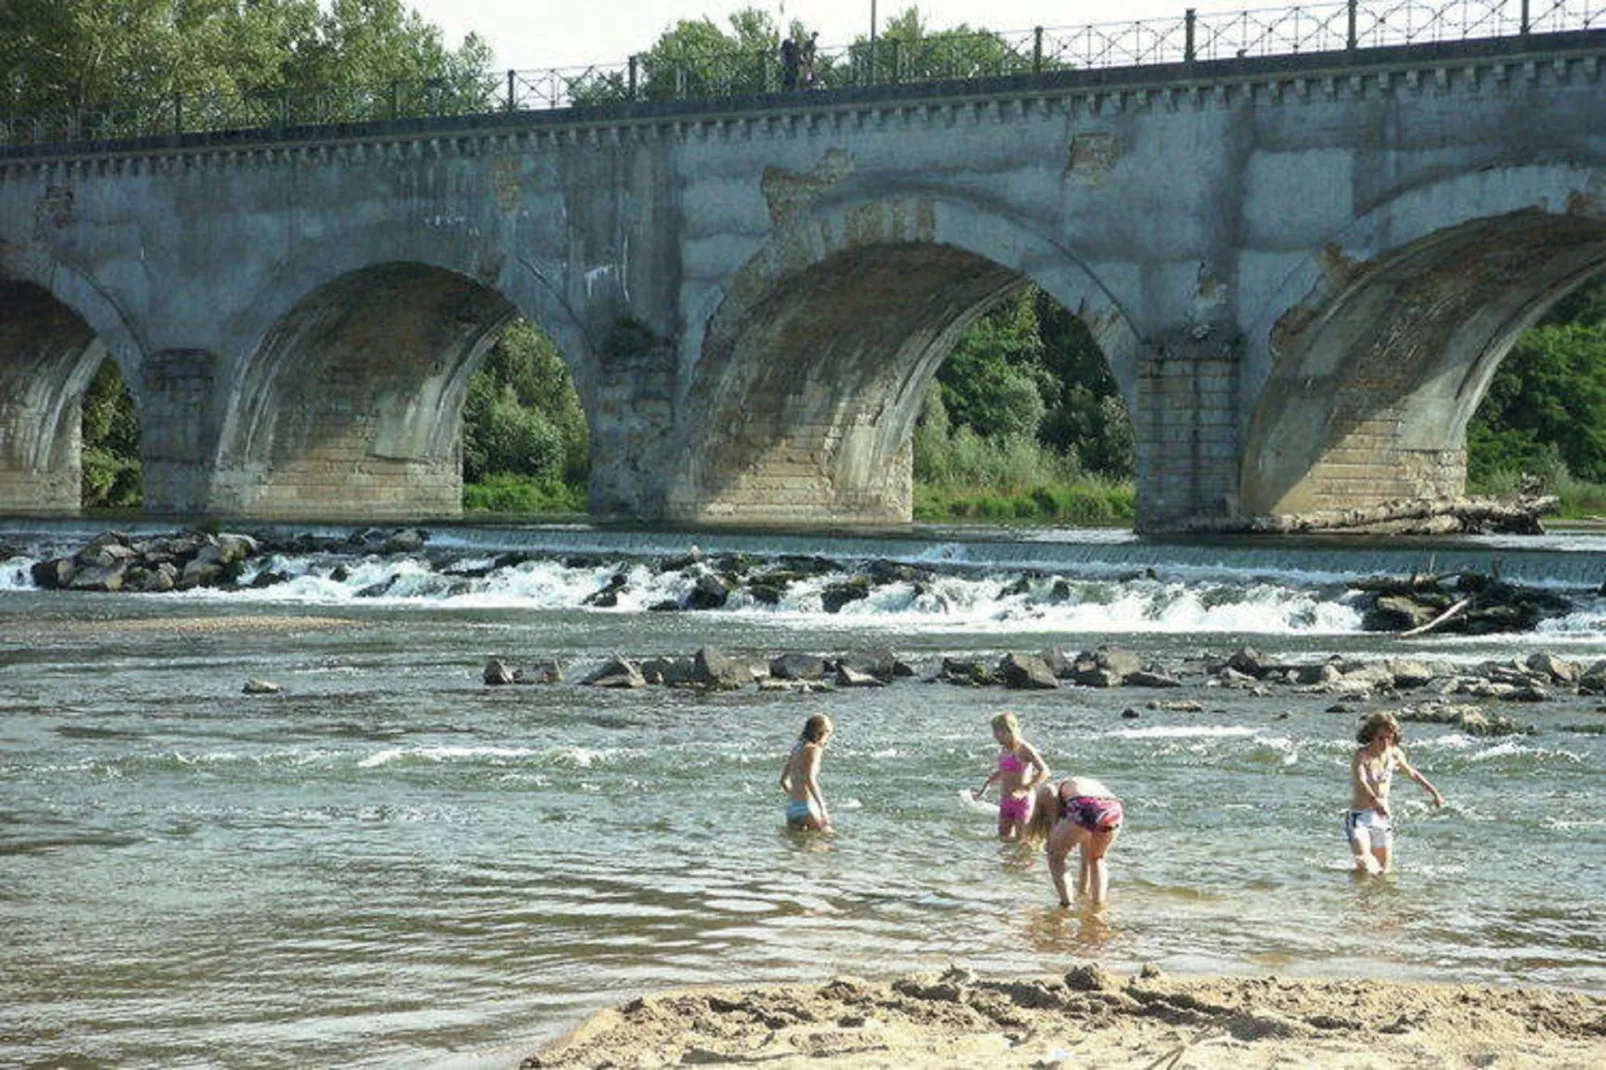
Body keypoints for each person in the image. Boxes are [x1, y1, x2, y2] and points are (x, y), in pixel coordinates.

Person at [1347, 711, 1443, 875]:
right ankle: (1361, 898)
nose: (1385, 743)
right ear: (1371, 736)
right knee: (1364, 861)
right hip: (1360, 817)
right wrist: (1374, 800)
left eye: (1389, 738)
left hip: (1382, 817)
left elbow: (1412, 773)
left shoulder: (1395, 753)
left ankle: (1380, 900)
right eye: (1381, 738)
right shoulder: (1362, 755)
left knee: (1384, 871)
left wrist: (1434, 792)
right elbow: (1361, 780)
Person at [1031, 776, 1123, 907]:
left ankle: (1067, 904)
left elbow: (1054, 822)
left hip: (1085, 804)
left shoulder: (1051, 790)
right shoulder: (1087, 784)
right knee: (1097, 858)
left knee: (1055, 857)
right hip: (1113, 807)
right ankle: (1098, 904)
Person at [971, 711, 1050, 841]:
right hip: (1006, 800)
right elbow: (1003, 771)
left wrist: (1025, 790)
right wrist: (983, 790)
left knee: (1022, 841)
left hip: (1022, 801)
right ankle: (1005, 862)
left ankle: (1026, 860)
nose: (994, 736)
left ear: (1009, 730)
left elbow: (1045, 771)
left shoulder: (1024, 748)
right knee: (1002, 838)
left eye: (997, 732)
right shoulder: (1004, 749)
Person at [779, 712, 833, 831]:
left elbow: (783, 781)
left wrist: (796, 797)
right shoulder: (814, 749)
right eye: (828, 732)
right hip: (807, 807)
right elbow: (810, 778)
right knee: (829, 840)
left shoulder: (797, 748)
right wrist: (822, 807)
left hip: (791, 808)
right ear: (821, 732)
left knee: (800, 847)